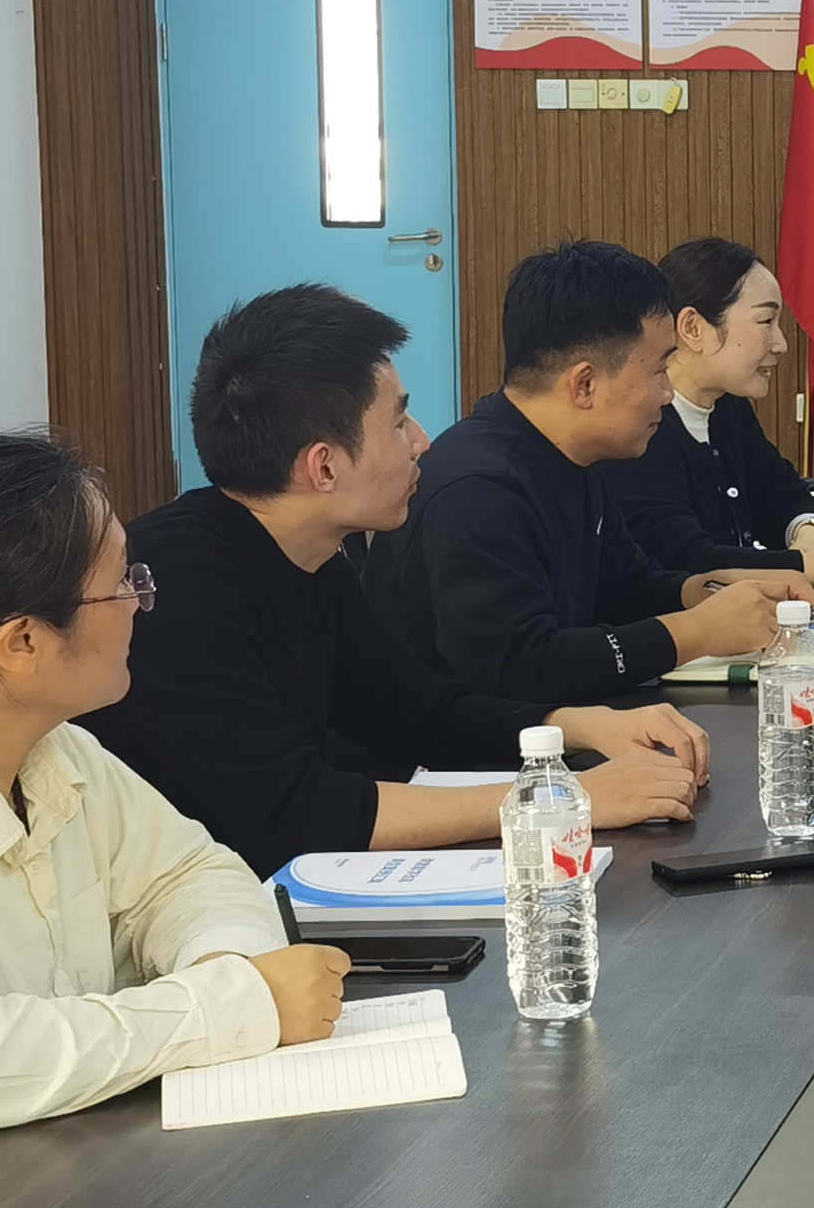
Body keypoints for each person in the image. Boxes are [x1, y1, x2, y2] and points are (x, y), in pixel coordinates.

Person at [0, 434, 350, 1208]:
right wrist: (223, 1008)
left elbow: (191, 875)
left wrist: (228, 965)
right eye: (122, 581)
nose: (142, 600)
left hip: (53, 1196)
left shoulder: (52, 747)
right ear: (21, 642)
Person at [83, 286, 715, 878]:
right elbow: (292, 814)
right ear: (323, 467)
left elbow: (418, 713)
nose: (422, 443)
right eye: (398, 421)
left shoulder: (313, 556)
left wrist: (579, 727)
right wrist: (562, 798)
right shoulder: (178, 585)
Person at [364, 241, 814, 704]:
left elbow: (624, 586)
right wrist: (696, 632)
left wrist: (708, 591)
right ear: (585, 384)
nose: (667, 394)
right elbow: (522, 667)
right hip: (458, 744)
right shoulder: (477, 492)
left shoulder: (572, 456)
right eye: (659, 371)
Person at [600, 237, 814, 588]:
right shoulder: (642, 427)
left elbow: (782, 493)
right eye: (766, 321)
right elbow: (688, 561)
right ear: (693, 328)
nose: (781, 344)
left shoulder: (726, 407)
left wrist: (812, 538)